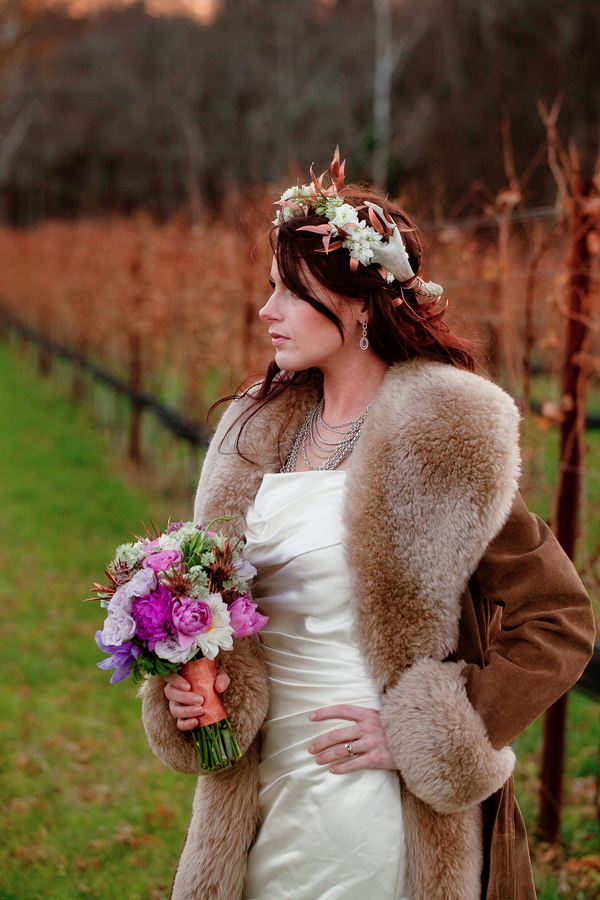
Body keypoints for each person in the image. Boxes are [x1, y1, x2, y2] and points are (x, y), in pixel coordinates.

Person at [140, 151, 595, 900]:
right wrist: (192, 690)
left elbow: (560, 620)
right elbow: (231, 617)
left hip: (370, 812)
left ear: (356, 303)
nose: (267, 310)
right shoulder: (256, 432)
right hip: (252, 796)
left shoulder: (445, 436)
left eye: (291, 291)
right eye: (270, 288)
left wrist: (427, 734)